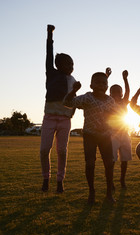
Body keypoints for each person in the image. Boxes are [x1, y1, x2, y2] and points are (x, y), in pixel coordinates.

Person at [63, 71, 116, 204]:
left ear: (107, 86)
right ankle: (91, 192)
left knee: (109, 164)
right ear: (91, 85)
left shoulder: (110, 100)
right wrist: (73, 90)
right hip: (90, 135)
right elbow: (67, 102)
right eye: (97, 82)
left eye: (104, 83)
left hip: (105, 136)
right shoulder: (87, 98)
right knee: (90, 163)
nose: (101, 85)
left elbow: (116, 115)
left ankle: (109, 194)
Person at [40, 24, 76, 193]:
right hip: (49, 117)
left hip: (64, 119)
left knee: (62, 150)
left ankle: (59, 181)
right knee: (44, 150)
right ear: (58, 65)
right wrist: (49, 34)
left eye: (72, 64)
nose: (71, 66)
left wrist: (72, 112)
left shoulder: (73, 80)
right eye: (68, 63)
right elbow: (48, 53)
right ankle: (45, 179)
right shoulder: (51, 73)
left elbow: (74, 99)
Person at [108, 68, 131, 189]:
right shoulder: (109, 102)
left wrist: (125, 79)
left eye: (118, 92)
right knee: (112, 159)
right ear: (110, 93)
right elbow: (102, 93)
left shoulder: (124, 102)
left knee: (125, 159)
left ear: (121, 94)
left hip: (124, 133)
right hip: (112, 134)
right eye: (113, 92)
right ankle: (111, 181)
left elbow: (128, 91)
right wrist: (106, 77)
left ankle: (122, 180)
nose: (116, 93)